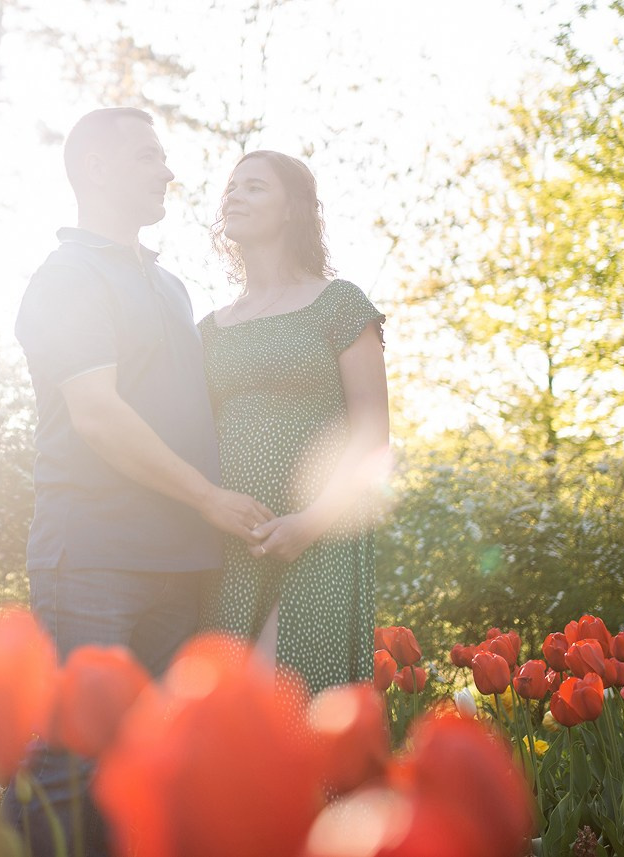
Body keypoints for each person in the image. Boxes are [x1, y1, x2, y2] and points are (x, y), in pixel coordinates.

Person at [3, 107, 272, 857]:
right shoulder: (67, 277)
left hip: (180, 563)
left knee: (141, 770)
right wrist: (210, 498)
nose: (169, 171)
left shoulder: (172, 287)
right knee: (68, 763)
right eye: (150, 156)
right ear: (95, 167)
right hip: (94, 558)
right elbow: (98, 417)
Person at [199, 150, 390, 694]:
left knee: (291, 708)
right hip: (231, 544)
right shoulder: (208, 329)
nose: (233, 196)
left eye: (254, 187)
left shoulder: (339, 305)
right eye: (231, 187)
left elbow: (373, 434)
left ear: (293, 210)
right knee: (231, 720)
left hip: (321, 537)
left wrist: (310, 522)